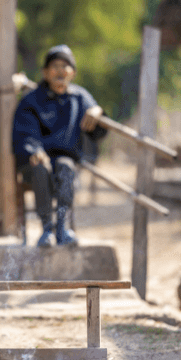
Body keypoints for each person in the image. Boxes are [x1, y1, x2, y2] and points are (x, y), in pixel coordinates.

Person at [11, 44, 109, 247]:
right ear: (45, 72)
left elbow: (98, 132)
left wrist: (98, 112)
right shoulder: (31, 100)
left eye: (65, 66)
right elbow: (24, 132)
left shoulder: (80, 97)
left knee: (65, 166)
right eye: (54, 66)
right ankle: (47, 228)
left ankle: (63, 227)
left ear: (73, 73)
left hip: (65, 162)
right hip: (35, 162)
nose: (60, 71)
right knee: (40, 168)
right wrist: (34, 150)